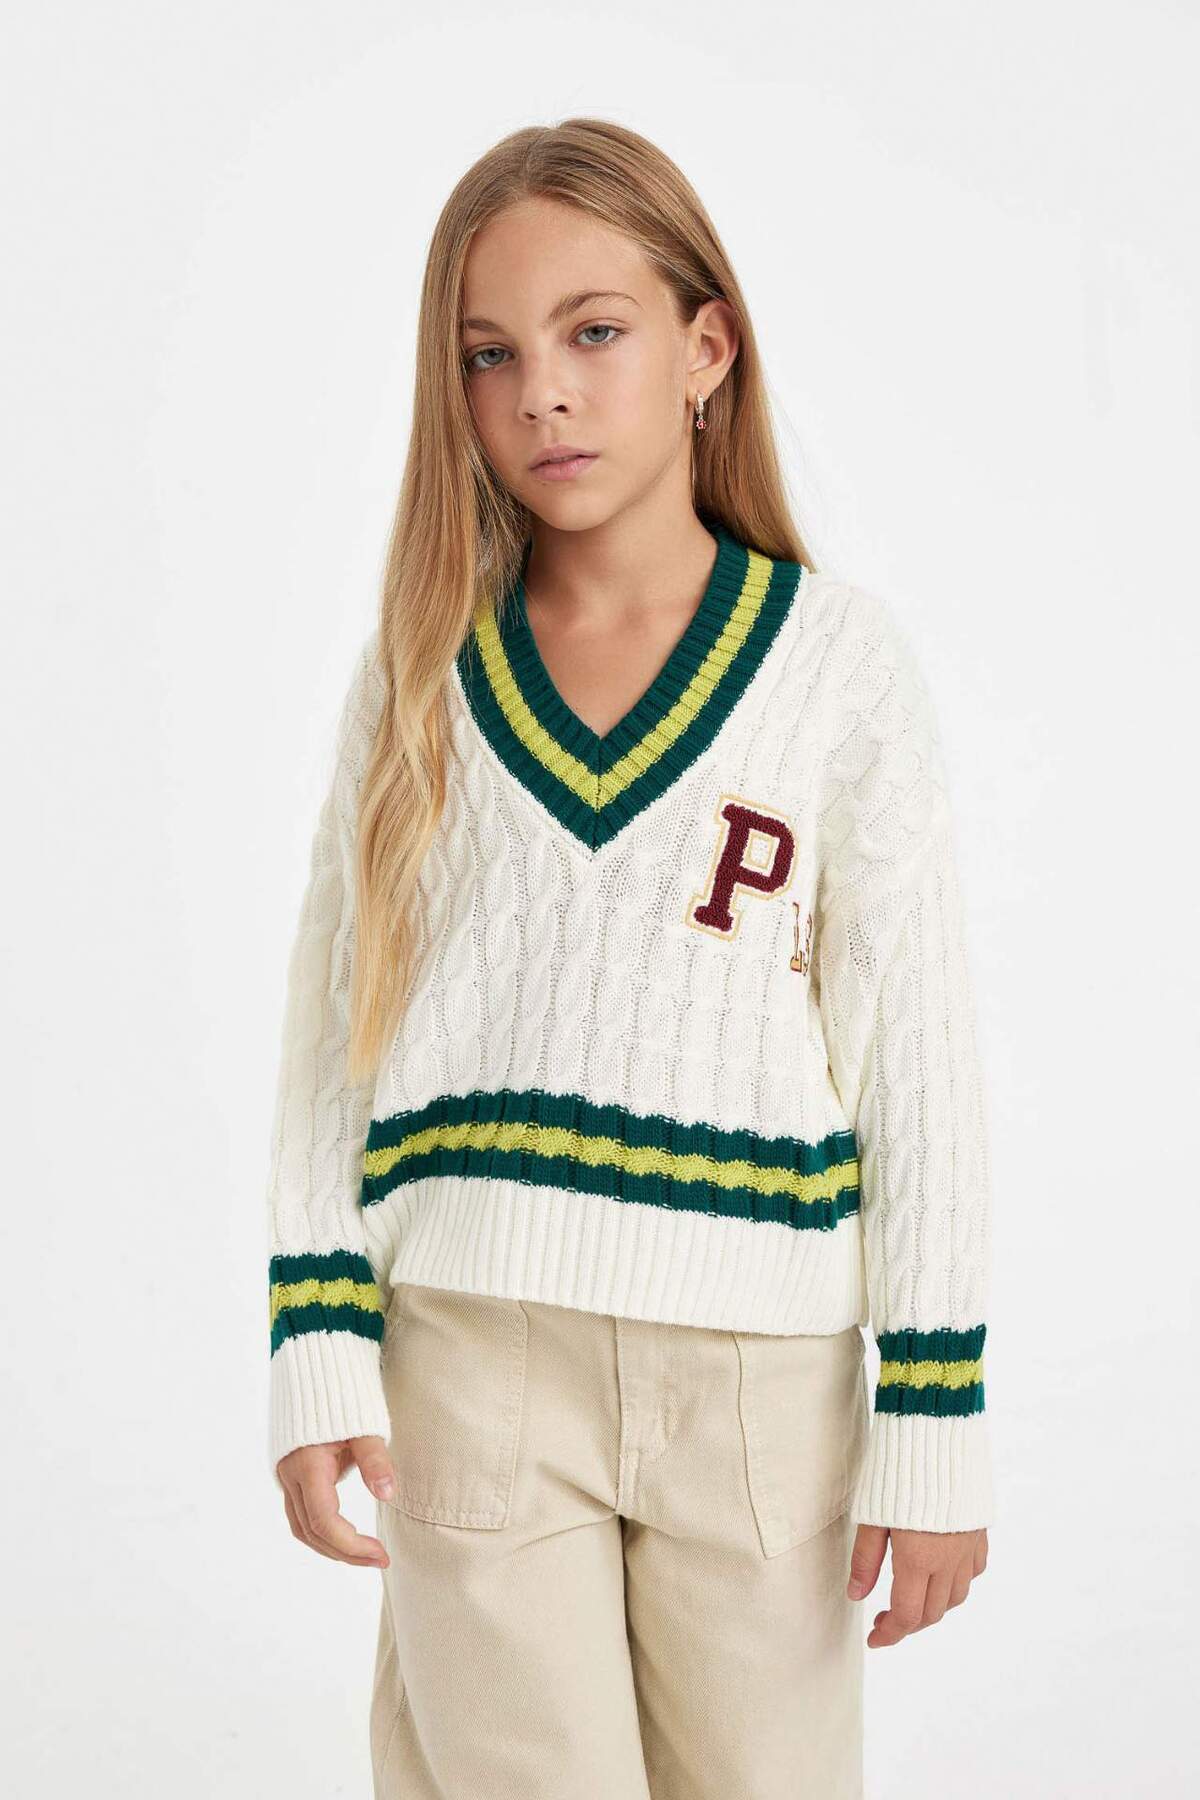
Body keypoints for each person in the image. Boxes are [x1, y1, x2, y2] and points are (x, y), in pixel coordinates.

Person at [264, 116, 995, 1799]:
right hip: (472, 1354)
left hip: (758, 1384)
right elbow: (329, 1030)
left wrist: (936, 1422)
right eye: (490, 354)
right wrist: (316, 1341)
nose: (544, 394)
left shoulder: (838, 670)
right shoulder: (420, 674)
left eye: (594, 332)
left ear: (705, 350)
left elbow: (918, 1063)